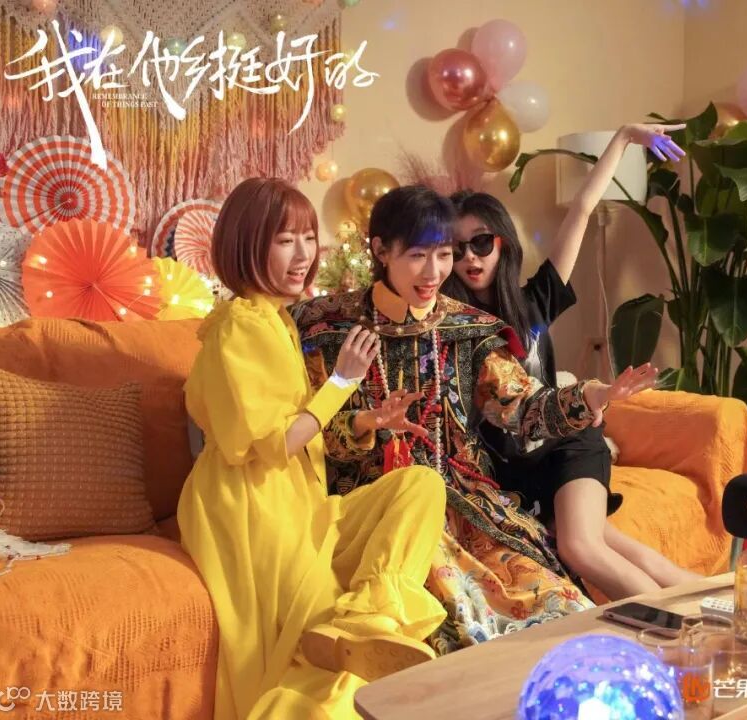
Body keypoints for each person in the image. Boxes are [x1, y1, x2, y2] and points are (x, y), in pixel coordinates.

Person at [291, 184, 657, 653]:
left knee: (561, 609)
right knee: (452, 626)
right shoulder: (323, 329)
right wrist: (365, 423)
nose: (434, 272)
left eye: (443, 254)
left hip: (469, 506)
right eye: (418, 255)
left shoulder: (467, 330)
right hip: (379, 506)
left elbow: (523, 408)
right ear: (381, 251)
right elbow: (308, 435)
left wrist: (594, 395)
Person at [177, 177, 448, 720]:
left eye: (307, 238)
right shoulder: (240, 327)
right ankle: (336, 660)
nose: (303, 255)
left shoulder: (273, 319)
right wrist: (343, 382)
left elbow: (297, 427)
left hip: (297, 498)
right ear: (247, 246)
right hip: (251, 505)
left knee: (420, 485)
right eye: (285, 241)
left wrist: (368, 418)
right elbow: (275, 442)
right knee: (315, 651)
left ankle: (369, 619)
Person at [442, 124, 705, 601]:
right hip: (514, 473)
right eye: (456, 249)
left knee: (581, 546)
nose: (469, 258)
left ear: (502, 242)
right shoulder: (451, 327)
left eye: (481, 243)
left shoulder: (534, 302)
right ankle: (722, 602)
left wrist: (621, 140)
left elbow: (582, 209)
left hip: (568, 444)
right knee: (612, 543)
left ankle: (677, 625)